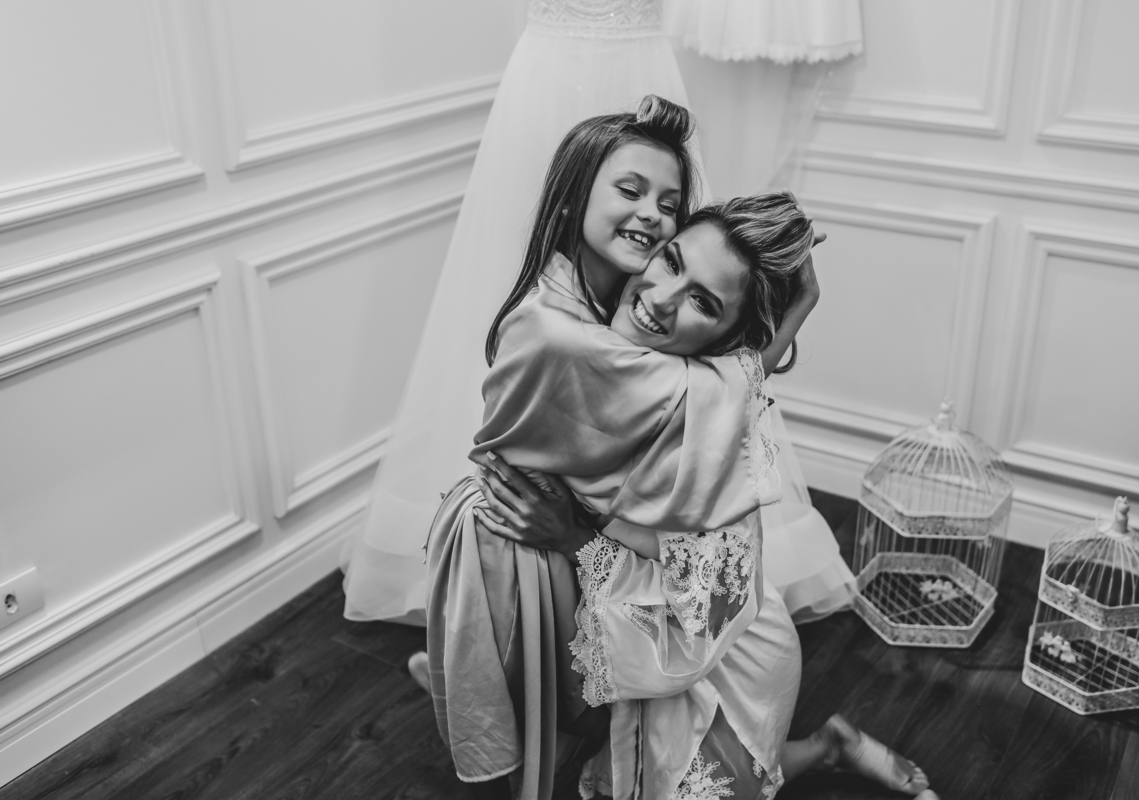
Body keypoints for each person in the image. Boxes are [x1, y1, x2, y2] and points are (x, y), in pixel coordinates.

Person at [425, 97, 931, 800]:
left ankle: (826, 746)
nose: (661, 297)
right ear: (573, 198)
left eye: (702, 302)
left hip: (718, 637)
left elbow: (722, 394)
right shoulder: (575, 338)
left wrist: (574, 536)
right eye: (668, 260)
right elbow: (731, 383)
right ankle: (822, 746)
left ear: (718, 340)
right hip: (653, 619)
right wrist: (794, 311)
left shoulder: (648, 356)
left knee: (713, 782)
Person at [341, 0, 854, 631]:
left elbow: (707, 389)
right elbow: (708, 391)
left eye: (670, 205)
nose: (652, 215)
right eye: (630, 191)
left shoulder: (613, 302)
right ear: (574, 197)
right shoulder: (557, 330)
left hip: (554, 549)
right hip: (514, 551)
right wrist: (799, 308)